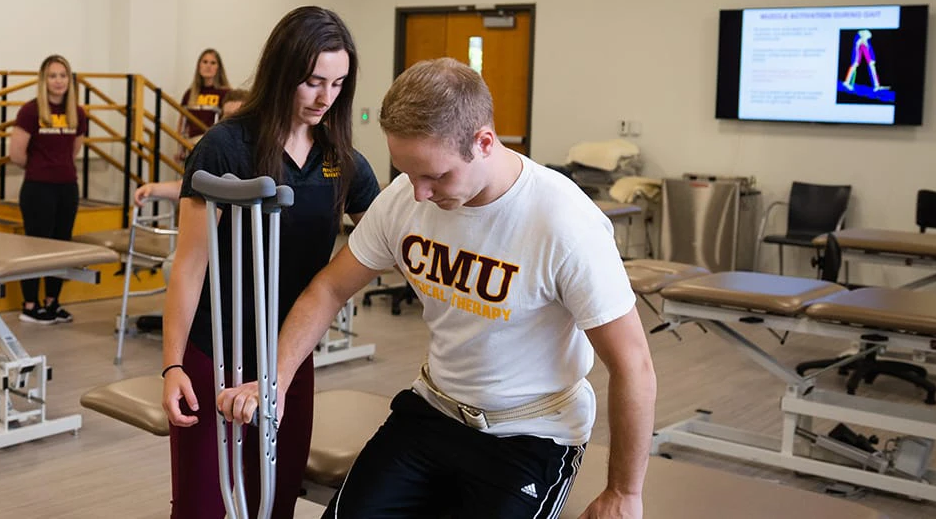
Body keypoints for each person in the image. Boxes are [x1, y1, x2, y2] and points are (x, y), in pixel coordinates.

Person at [216, 58, 656, 518]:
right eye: (409, 173)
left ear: (484, 142)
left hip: (530, 436)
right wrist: (276, 381)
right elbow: (329, 289)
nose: (421, 193)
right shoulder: (405, 199)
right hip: (431, 413)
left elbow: (633, 365)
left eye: (436, 175)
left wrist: (624, 493)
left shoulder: (564, 223)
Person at [160, 7, 378, 519]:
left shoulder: (340, 156)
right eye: (313, 82)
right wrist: (172, 364)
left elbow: (385, 236)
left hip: (287, 358)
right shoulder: (226, 147)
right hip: (214, 352)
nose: (327, 98)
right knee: (203, 507)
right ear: (283, 74)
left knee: (274, 502)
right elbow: (189, 267)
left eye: (339, 84)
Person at [9, 54, 90, 324]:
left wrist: (58, 166)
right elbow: (17, 154)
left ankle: (52, 302)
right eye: (52, 76)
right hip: (37, 188)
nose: (58, 81)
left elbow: (75, 148)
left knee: (61, 245)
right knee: (35, 247)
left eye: (63, 75)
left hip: (67, 187)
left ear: (70, 80)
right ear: (43, 80)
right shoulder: (30, 111)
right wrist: (42, 168)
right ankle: (30, 305)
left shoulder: (77, 112)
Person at [138, 88, 249, 203]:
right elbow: (189, 187)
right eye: (228, 116)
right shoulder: (214, 150)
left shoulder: (257, 152)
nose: (232, 122)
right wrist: (152, 188)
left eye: (238, 116)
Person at [179, 49, 232, 145]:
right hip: (191, 142)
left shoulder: (226, 93)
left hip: (214, 141)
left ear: (218, 68)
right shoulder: (190, 93)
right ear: (199, 65)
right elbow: (182, 122)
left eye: (213, 63)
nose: (208, 66)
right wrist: (179, 147)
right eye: (205, 62)